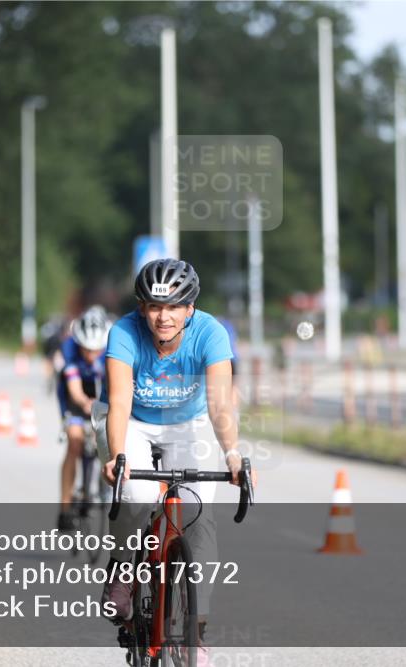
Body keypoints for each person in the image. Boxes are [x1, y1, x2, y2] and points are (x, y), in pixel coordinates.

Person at [93, 258, 251, 655]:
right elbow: (119, 401)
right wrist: (118, 456)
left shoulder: (211, 334)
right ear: (142, 308)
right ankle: (121, 569)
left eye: (173, 307)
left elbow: (219, 405)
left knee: (200, 518)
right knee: (137, 495)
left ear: (189, 308)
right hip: (131, 420)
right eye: (154, 307)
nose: (164, 317)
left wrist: (232, 454)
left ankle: (196, 632)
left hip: (189, 422)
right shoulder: (124, 332)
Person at [56, 306, 111, 530]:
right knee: (75, 442)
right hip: (74, 398)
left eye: (95, 350)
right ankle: (65, 507)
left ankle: (104, 488)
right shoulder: (69, 349)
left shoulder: (111, 348)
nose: (90, 354)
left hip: (102, 394)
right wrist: (84, 403)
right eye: (86, 349)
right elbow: (75, 389)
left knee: (110, 439)